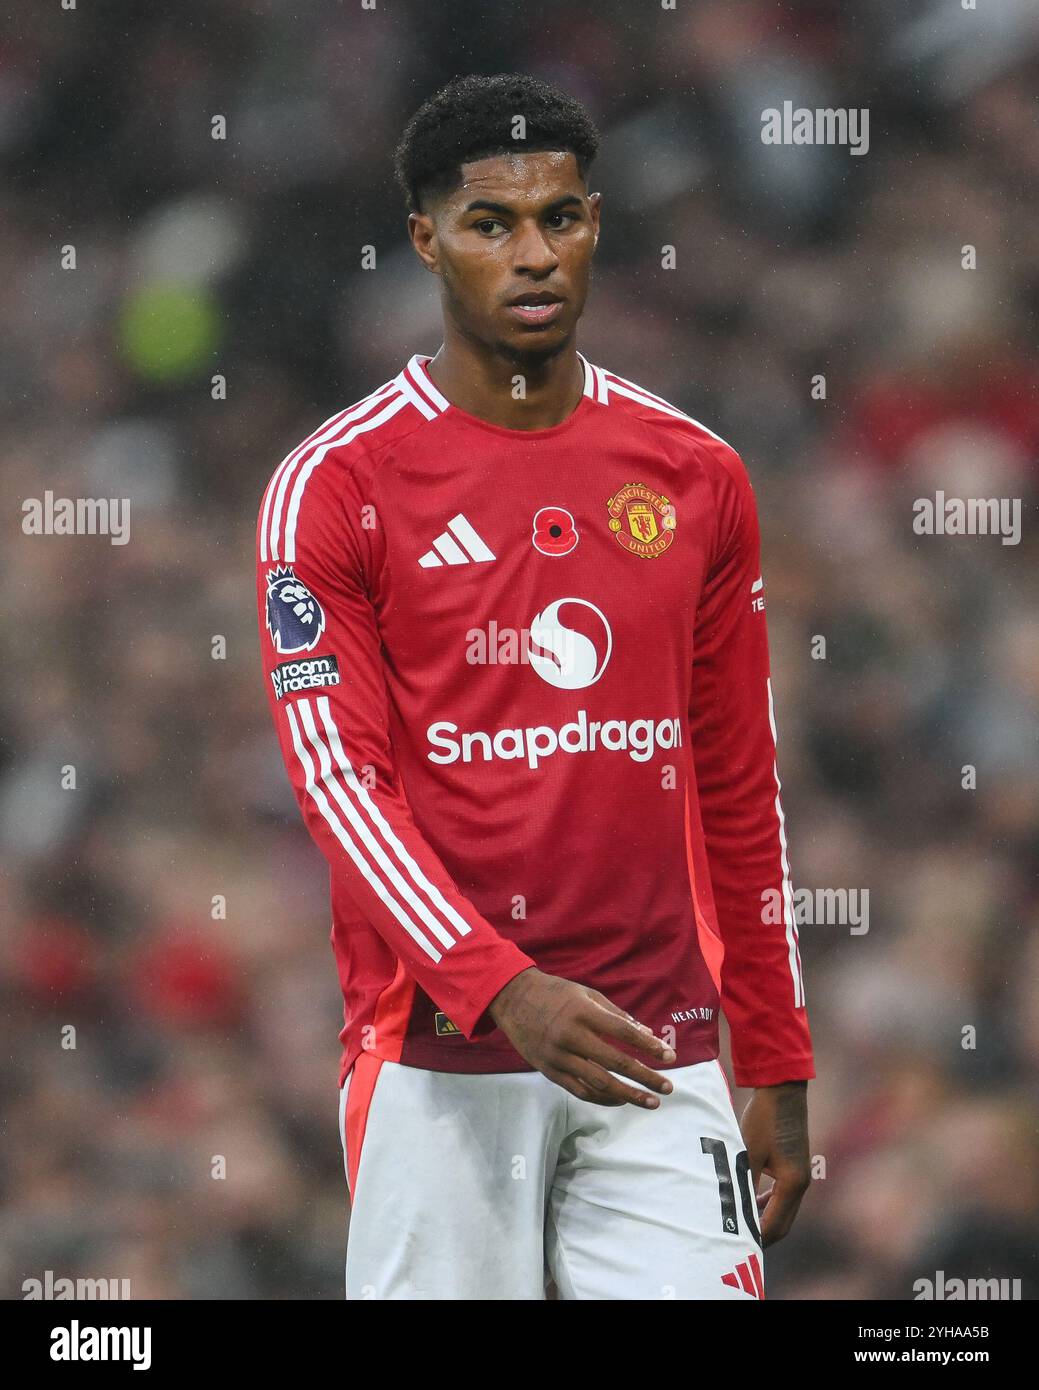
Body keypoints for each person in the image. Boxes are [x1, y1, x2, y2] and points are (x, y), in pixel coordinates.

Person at [255, 72, 814, 1300]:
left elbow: (736, 779)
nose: (532, 255)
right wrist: (501, 989)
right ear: (425, 239)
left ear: (596, 225)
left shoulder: (693, 474)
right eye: (489, 224)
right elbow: (342, 785)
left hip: (657, 1053)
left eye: (559, 219)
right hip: (438, 1056)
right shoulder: (335, 485)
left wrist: (771, 1048)